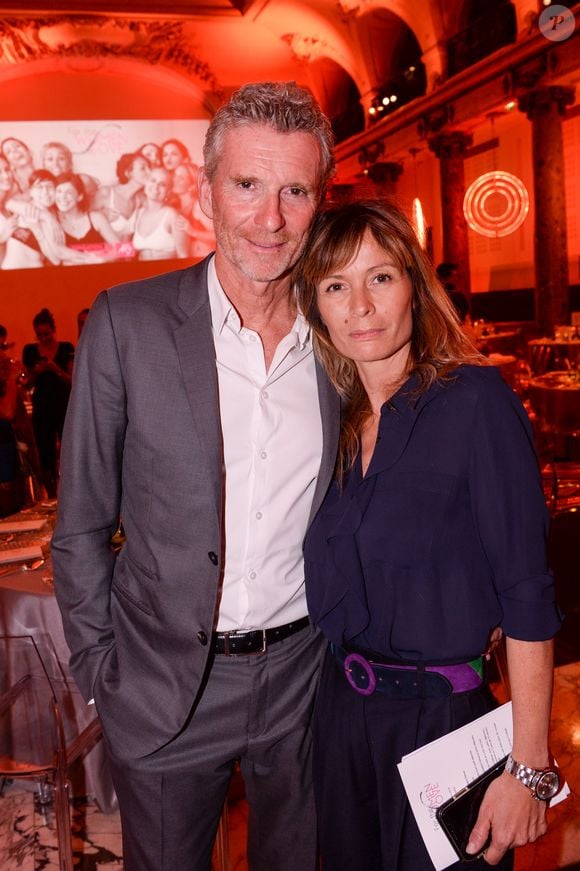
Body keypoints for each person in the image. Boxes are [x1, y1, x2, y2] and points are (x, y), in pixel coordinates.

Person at [52, 81, 339, 871]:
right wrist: (102, 674)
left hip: (305, 686)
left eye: (294, 190)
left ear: (321, 199)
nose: (269, 218)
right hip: (163, 687)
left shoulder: (343, 333)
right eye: (247, 184)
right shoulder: (126, 321)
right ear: (207, 186)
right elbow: (78, 527)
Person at [295, 200, 562, 871]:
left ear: (413, 283)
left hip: (446, 728)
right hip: (341, 724)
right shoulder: (328, 425)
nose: (360, 305)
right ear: (316, 306)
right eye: (336, 286)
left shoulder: (475, 402)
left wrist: (529, 765)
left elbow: (527, 593)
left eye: (380, 277)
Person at [22, 308, 74, 498]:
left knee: (69, 450)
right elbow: (26, 382)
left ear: (53, 330)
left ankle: (69, 490)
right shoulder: (30, 351)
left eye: (47, 334)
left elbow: (72, 380)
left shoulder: (66, 348)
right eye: (39, 335)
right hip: (42, 408)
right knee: (44, 453)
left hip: (63, 406)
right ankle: (51, 494)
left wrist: (54, 368)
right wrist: (37, 371)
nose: (43, 338)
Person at [54, 172, 119, 262]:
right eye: (59, 191)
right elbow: (56, 255)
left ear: (79, 197)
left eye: (68, 192)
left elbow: (124, 249)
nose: (62, 197)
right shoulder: (53, 220)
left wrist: (102, 260)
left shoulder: (96, 218)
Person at [131, 166, 189, 260]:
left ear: (168, 192)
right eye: (153, 180)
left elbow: (184, 256)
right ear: (146, 183)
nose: (156, 186)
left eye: (162, 184)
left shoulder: (172, 215)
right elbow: (128, 251)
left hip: (167, 273)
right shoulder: (138, 213)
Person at [436, 260, 471, 325]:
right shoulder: (454, 296)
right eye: (455, 276)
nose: (457, 278)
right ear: (446, 278)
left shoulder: (435, 294)